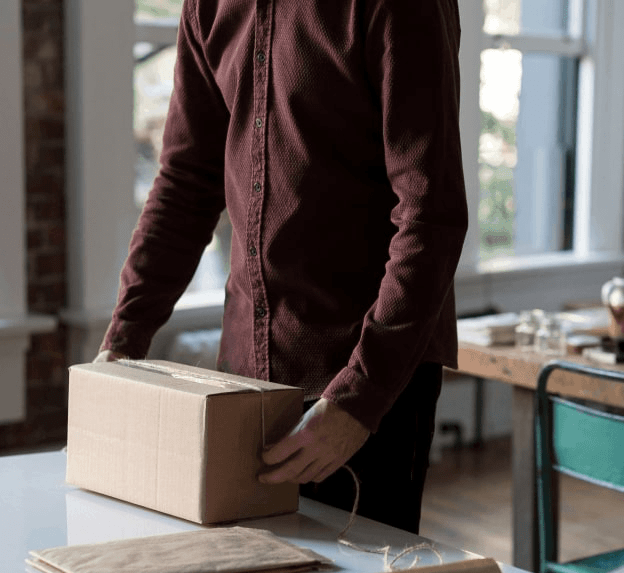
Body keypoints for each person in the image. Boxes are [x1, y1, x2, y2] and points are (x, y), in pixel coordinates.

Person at [96, 0, 468, 534]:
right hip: (241, 383)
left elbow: (430, 215)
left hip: (365, 381)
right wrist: (122, 344)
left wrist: (358, 400)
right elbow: (185, 184)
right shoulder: (207, 6)